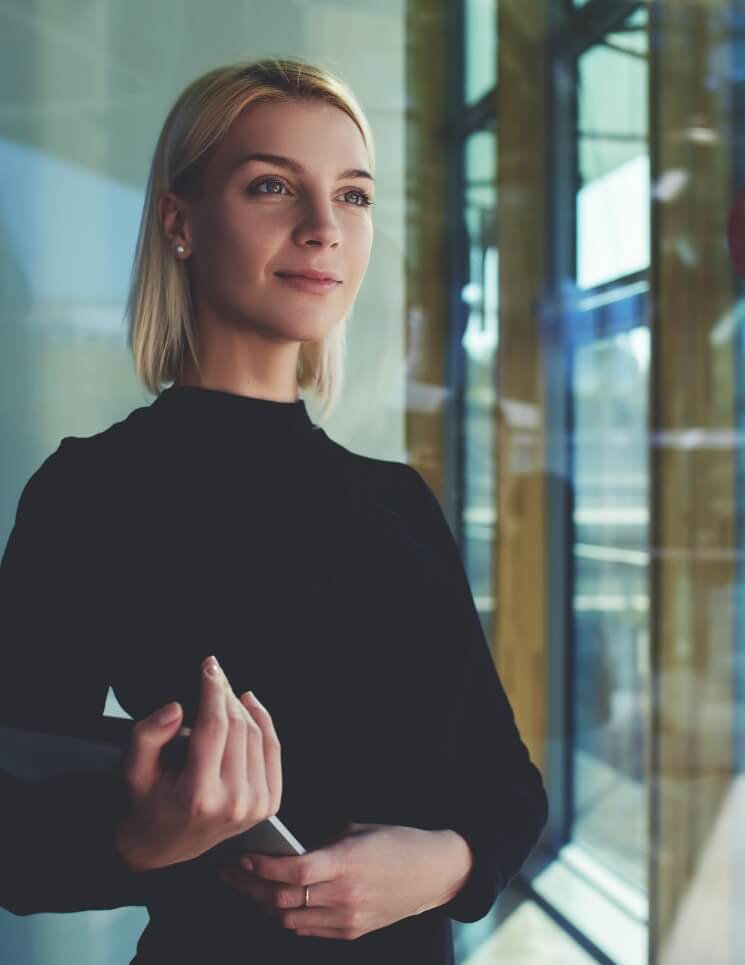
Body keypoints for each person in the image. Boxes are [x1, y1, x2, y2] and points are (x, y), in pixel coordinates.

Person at [0, 55, 548, 963]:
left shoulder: (398, 500)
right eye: (271, 187)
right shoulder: (94, 491)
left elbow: (505, 788)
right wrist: (146, 839)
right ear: (179, 222)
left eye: (354, 196)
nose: (324, 228)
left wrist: (444, 866)